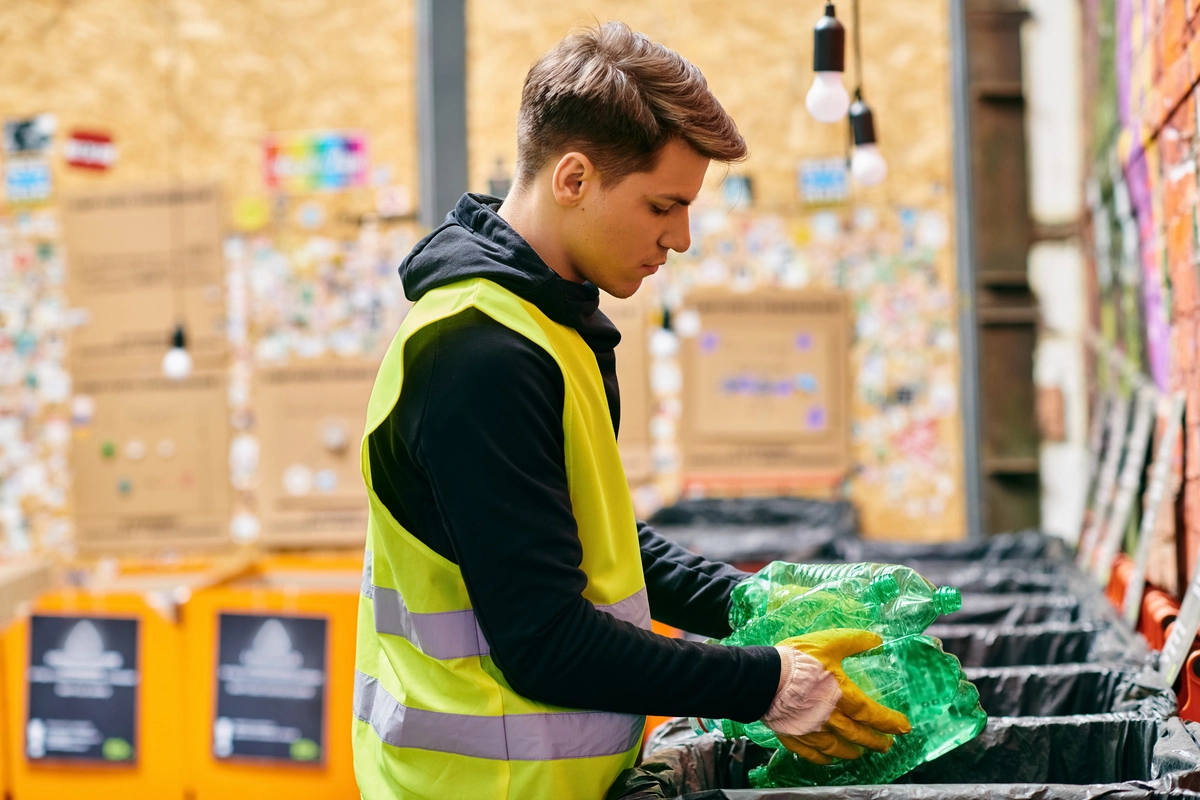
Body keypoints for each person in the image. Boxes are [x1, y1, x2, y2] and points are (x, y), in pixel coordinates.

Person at [352, 21, 910, 800]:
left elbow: (585, 534)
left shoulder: (547, 327)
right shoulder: (478, 355)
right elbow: (544, 642)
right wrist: (765, 685)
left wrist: (741, 602)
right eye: (662, 206)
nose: (679, 238)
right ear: (573, 178)